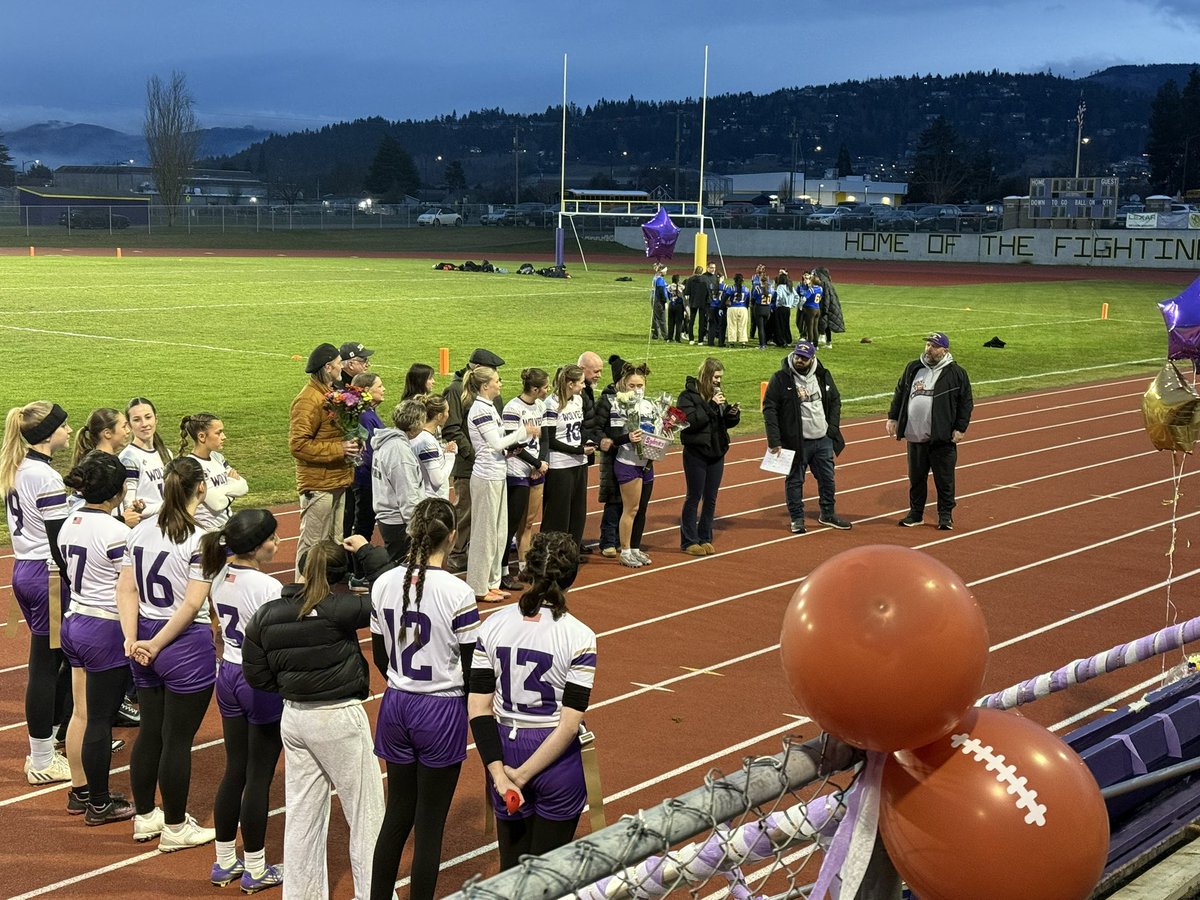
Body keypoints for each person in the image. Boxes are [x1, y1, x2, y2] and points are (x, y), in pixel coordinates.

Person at [242, 539, 391, 900]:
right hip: (339, 717)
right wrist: (369, 553)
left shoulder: (267, 613)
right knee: (366, 815)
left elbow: (256, 675)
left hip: (294, 718)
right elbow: (390, 590)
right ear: (342, 575)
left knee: (302, 814)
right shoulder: (341, 609)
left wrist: (292, 686)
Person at [368, 498, 481, 900]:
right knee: (429, 824)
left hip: (396, 702)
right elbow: (471, 667)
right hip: (440, 707)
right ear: (451, 537)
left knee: (396, 816)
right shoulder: (458, 591)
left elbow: (381, 656)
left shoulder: (383, 583)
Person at [468, 531, 597, 871]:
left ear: (527, 569)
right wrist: (522, 776)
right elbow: (570, 724)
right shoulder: (580, 636)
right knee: (547, 878)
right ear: (571, 576)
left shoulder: (492, 624)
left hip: (504, 748)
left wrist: (500, 774)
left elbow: (478, 708)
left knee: (510, 873)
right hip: (556, 757)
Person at [118, 456, 218, 850]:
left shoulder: (140, 531)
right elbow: (193, 605)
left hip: (142, 633)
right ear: (201, 489)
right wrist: (158, 643)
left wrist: (132, 639)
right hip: (182, 643)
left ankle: (146, 816)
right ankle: (176, 826)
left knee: (150, 732)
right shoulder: (201, 539)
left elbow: (125, 588)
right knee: (178, 740)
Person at [201, 510, 284, 892]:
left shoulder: (218, 574)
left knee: (234, 769)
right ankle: (255, 867)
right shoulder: (266, 587)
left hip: (228, 674)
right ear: (255, 545)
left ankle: (223, 862)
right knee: (259, 776)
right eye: (272, 538)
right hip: (259, 680)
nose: (277, 543)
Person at [56, 451, 136, 825]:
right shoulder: (119, 533)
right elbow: (128, 588)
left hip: (74, 621)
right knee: (102, 721)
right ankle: (101, 804)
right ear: (118, 491)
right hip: (103, 628)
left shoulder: (70, 520)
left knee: (82, 713)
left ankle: (81, 791)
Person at [2, 401, 74, 785]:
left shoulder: (19, 467)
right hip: (48, 577)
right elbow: (58, 539)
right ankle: (43, 757)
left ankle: (55, 742)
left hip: (25, 570)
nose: (69, 430)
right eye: (64, 425)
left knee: (52, 662)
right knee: (46, 667)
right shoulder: (44, 477)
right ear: (48, 434)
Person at [464, 367, 539, 602]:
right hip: (486, 477)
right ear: (485, 386)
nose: (500, 384)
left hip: (497, 473)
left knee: (498, 532)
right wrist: (522, 432)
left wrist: (511, 448)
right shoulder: (480, 409)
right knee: (484, 533)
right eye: (497, 381)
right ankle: (478, 585)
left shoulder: (489, 407)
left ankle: (492, 582)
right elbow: (496, 443)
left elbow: (495, 447)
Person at [886, 331, 974, 531]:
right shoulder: (913, 368)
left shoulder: (956, 373)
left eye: (934, 346)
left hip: (942, 437)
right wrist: (892, 417)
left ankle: (945, 515)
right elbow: (900, 392)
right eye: (927, 345)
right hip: (915, 435)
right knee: (916, 478)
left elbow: (966, 403)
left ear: (945, 350)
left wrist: (960, 428)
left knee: (944, 480)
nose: (929, 349)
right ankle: (916, 513)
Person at [762, 341, 852, 534]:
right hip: (796, 442)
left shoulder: (822, 375)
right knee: (795, 481)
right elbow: (769, 409)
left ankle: (827, 514)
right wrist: (774, 441)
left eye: (804, 357)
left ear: (812, 358)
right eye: (797, 356)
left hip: (823, 439)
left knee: (828, 479)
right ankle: (797, 518)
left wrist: (833, 428)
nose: (799, 360)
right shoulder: (780, 379)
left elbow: (835, 400)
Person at [289, 343, 358, 578]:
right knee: (312, 544)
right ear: (328, 367)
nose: (342, 366)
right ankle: (299, 593)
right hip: (318, 485)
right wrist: (339, 448)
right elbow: (298, 445)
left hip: (337, 480)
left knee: (334, 544)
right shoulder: (308, 400)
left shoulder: (330, 394)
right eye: (339, 363)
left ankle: (323, 592)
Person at [442, 348, 505, 573]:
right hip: (469, 464)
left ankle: (475, 552)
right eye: (493, 371)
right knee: (466, 510)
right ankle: (457, 553)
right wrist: (473, 453)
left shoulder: (488, 391)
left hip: (490, 463)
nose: (496, 376)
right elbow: (452, 427)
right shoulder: (456, 390)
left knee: (486, 513)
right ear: (477, 369)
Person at [677, 358, 741, 555]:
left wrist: (732, 414)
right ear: (706, 376)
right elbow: (690, 423)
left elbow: (721, 422)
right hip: (696, 452)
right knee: (694, 496)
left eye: (720, 377)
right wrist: (711, 406)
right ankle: (689, 540)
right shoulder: (686, 397)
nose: (718, 381)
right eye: (715, 377)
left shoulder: (717, 394)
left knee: (711, 498)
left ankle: (705, 537)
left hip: (716, 451)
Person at [604, 362, 656, 568]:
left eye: (640, 385)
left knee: (642, 508)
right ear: (624, 385)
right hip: (628, 462)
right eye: (632, 385)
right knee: (630, 509)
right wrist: (628, 437)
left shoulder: (650, 405)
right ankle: (625, 550)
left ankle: (635, 547)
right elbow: (614, 437)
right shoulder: (619, 405)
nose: (637, 390)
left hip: (648, 462)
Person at [502, 369, 549, 588]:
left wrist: (540, 463)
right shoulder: (513, 408)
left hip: (536, 469)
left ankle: (524, 566)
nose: (548, 391)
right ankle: (502, 569)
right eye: (545, 387)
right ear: (534, 389)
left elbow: (545, 438)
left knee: (529, 522)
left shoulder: (541, 406)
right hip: (517, 470)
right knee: (511, 523)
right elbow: (513, 443)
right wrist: (536, 463)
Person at [541, 364, 591, 556]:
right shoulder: (551, 405)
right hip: (560, 465)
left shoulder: (578, 400)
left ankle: (571, 553)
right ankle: (550, 554)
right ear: (570, 384)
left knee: (578, 513)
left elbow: (580, 428)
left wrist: (586, 441)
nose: (584, 386)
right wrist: (578, 449)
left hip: (579, 462)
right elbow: (551, 440)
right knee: (557, 515)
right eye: (580, 382)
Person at [372, 399, 427, 565]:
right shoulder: (400, 453)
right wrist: (417, 529)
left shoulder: (387, 442)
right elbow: (407, 494)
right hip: (400, 523)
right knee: (406, 574)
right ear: (416, 425)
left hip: (390, 518)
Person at [181, 413, 248, 532]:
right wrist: (232, 486)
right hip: (208, 532)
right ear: (202, 437)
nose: (224, 437)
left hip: (226, 526)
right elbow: (217, 504)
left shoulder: (218, 457)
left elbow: (244, 486)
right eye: (218, 433)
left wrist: (223, 492)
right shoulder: (192, 466)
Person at [590, 355, 627, 558]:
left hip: (632, 457)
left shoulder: (636, 401)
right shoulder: (606, 400)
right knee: (614, 500)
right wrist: (603, 441)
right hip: (613, 456)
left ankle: (624, 539)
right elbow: (595, 428)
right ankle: (608, 541)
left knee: (629, 501)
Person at [348, 372, 386, 545]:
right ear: (366, 391)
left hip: (368, 479)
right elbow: (369, 452)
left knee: (364, 525)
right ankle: (357, 568)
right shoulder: (364, 416)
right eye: (379, 386)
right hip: (366, 480)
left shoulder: (368, 413)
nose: (383, 389)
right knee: (363, 527)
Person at [122, 397, 173, 523]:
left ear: (156, 418)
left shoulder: (166, 453)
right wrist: (170, 506)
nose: (144, 424)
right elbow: (130, 509)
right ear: (129, 425)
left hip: (167, 525)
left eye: (148, 417)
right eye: (137, 420)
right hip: (145, 530)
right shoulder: (129, 458)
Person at [412, 394, 457, 500]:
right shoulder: (427, 443)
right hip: (433, 502)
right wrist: (450, 456)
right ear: (439, 416)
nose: (448, 415)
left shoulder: (422, 436)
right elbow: (437, 481)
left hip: (427, 499)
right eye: (447, 412)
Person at [813, 266, 845, 347]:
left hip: (825, 307)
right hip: (829, 307)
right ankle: (827, 342)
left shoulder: (823, 283)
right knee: (826, 324)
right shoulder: (827, 282)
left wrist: (825, 309)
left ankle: (823, 339)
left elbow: (826, 297)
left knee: (824, 324)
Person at [683, 266, 710, 345]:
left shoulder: (690, 279)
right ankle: (700, 340)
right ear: (702, 272)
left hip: (693, 302)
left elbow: (687, 292)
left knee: (691, 321)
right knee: (701, 321)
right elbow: (708, 291)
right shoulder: (705, 279)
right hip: (703, 302)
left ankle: (691, 339)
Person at [724, 273, 750, 348]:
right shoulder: (746, 289)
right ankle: (743, 342)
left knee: (732, 325)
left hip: (732, 308)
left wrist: (724, 305)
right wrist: (746, 308)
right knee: (743, 325)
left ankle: (732, 341)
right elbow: (748, 301)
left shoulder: (731, 288)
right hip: (743, 308)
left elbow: (725, 298)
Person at [751, 267, 775, 350]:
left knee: (760, 328)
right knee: (764, 327)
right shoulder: (771, 289)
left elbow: (753, 299)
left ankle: (762, 344)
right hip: (767, 309)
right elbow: (773, 298)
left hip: (759, 308)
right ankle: (764, 342)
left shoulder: (758, 289)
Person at [798, 271, 823, 345]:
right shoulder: (820, 289)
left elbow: (804, 299)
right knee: (815, 327)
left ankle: (810, 342)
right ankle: (816, 343)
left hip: (810, 309)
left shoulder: (811, 290)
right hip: (817, 308)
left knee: (810, 327)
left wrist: (800, 306)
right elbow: (820, 297)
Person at [772, 269, 796, 346]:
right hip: (788, 309)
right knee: (786, 324)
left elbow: (780, 297)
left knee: (779, 325)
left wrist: (779, 304)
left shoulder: (780, 287)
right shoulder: (790, 287)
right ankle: (788, 339)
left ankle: (780, 341)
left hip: (781, 308)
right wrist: (792, 305)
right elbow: (797, 297)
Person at [650, 264, 669, 341]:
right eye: (665, 271)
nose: (666, 272)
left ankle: (655, 334)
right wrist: (664, 301)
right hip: (658, 300)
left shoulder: (655, 277)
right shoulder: (660, 280)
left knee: (655, 317)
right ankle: (665, 336)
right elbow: (661, 291)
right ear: (661, 271)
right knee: (662, 318)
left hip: (654, 299)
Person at [666, 273, 686, 343]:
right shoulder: (681, 287)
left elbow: (667, 295)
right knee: (679, 323)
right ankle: (677, 338)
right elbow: (683, 296)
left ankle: (669, 338)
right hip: (679, 306)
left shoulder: (669, 287)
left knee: (670, 322)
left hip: (671, 305)